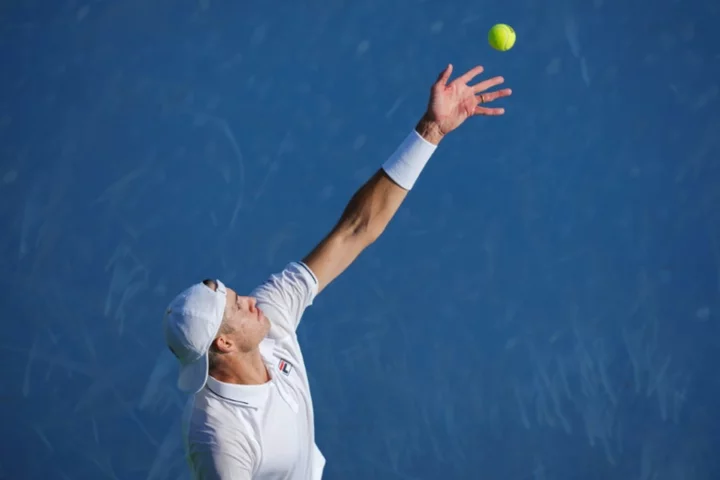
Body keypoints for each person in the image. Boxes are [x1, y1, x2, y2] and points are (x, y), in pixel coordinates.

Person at [162, 63, 512, 479]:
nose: (253, 301)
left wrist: (430, 131)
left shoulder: (270, 318)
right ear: (224, 342)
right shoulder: (219, 438)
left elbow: (354, 231)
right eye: (239, 306)